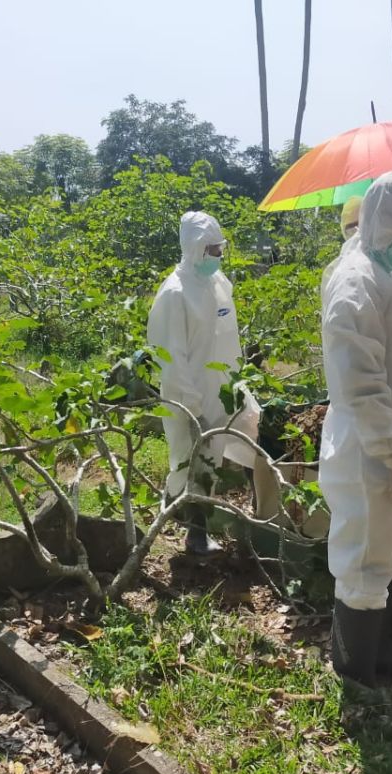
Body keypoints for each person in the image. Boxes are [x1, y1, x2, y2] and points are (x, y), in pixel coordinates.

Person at [320, 171, 392, 686]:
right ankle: (354, 674)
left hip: (386, 452)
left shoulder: (381, 273)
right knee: (363, 561)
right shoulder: (356, 281)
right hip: (371, 456)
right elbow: (361, 383)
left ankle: (377, 655)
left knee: (381, 556)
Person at [147, 211, 258, 556]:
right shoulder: (175, 294)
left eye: (220, 248)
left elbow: (228, 339)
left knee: (247, 437)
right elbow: (171, 359)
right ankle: (194, 536)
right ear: (194, 248)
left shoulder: (218, 283)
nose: (217, 255)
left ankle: (258, 515)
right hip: (189, 394)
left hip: (224, 388)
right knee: (194, 463)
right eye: (211, 249)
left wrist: (239, 383)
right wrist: (193, 407)